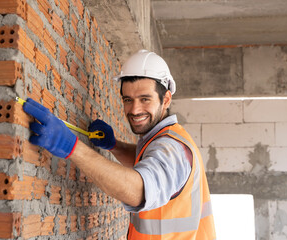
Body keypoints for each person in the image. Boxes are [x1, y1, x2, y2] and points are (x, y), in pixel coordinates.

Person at [22, 49, 216, 239]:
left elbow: (138, 190)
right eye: (128, 100)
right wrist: (114, 145)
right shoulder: (169, 138)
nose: (134, 109)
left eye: (145, 99)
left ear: (165, 99)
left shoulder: (172, 149)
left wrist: (72, 147)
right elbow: (150, 164)